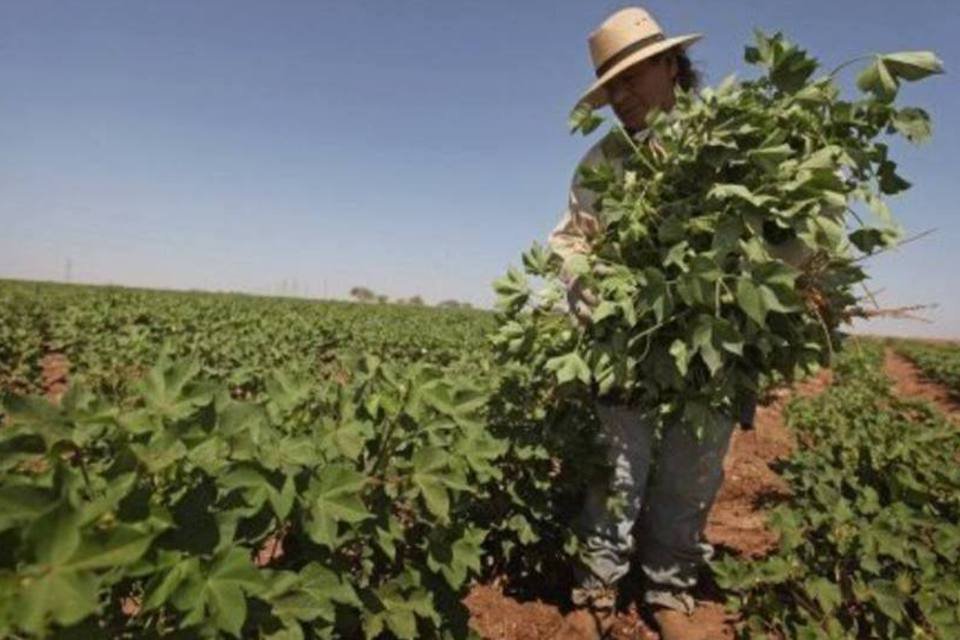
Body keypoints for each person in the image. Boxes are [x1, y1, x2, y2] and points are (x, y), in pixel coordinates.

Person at [548, 8, 738, 640]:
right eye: (611, 89)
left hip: (713, 338)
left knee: (694, 463)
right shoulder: (600, 163)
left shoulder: (731, 143)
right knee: (617, 464)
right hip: (627, 338)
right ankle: (597, 587)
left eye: (631, 80)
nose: (620, 99)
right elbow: (570, 244)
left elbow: (784, 236)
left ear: (671, 67)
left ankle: (668, 587)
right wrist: (599, 292)